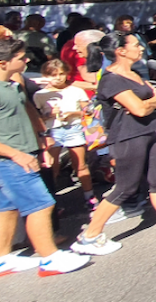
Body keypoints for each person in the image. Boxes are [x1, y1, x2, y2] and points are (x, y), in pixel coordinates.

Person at [70, 32, 156, 256]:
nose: (141, 48)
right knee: (125, 188)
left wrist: (148, 102)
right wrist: (149, 102)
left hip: (148, 132)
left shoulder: (134, 74)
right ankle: (89, 236)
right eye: (135, 45)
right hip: (127, 137)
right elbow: (139, 109)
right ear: (121, 51)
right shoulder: (111, 79)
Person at [0, 39, 91, 276]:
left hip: (22, 153)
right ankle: (49, 259)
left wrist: (42, 138)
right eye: (21, 58)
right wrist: (17, 154)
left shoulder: (12, 84)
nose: (27, 60)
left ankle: (2, 259)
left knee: (8, 207)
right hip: (11, 159)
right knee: (41, 204)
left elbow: (27, 112)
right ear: (3, 63)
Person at [32, 60, 96, 210]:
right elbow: (36, 117)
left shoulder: (76, 90)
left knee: (80, 165)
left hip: (73, 128)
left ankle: (89, 196)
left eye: (61, 74)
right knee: (52, 167)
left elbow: (89, 111)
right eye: (53, 75)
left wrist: (74, 113)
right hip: (52, 131)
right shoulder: (40, 95)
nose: (58, 78)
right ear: (45, 76)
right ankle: (52, 202)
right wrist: (48, 114)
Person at [60, 28, 104, 96]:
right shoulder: (80, 53)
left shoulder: (107, 60)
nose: (74, 48)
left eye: (78, 45)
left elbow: (91, 78)